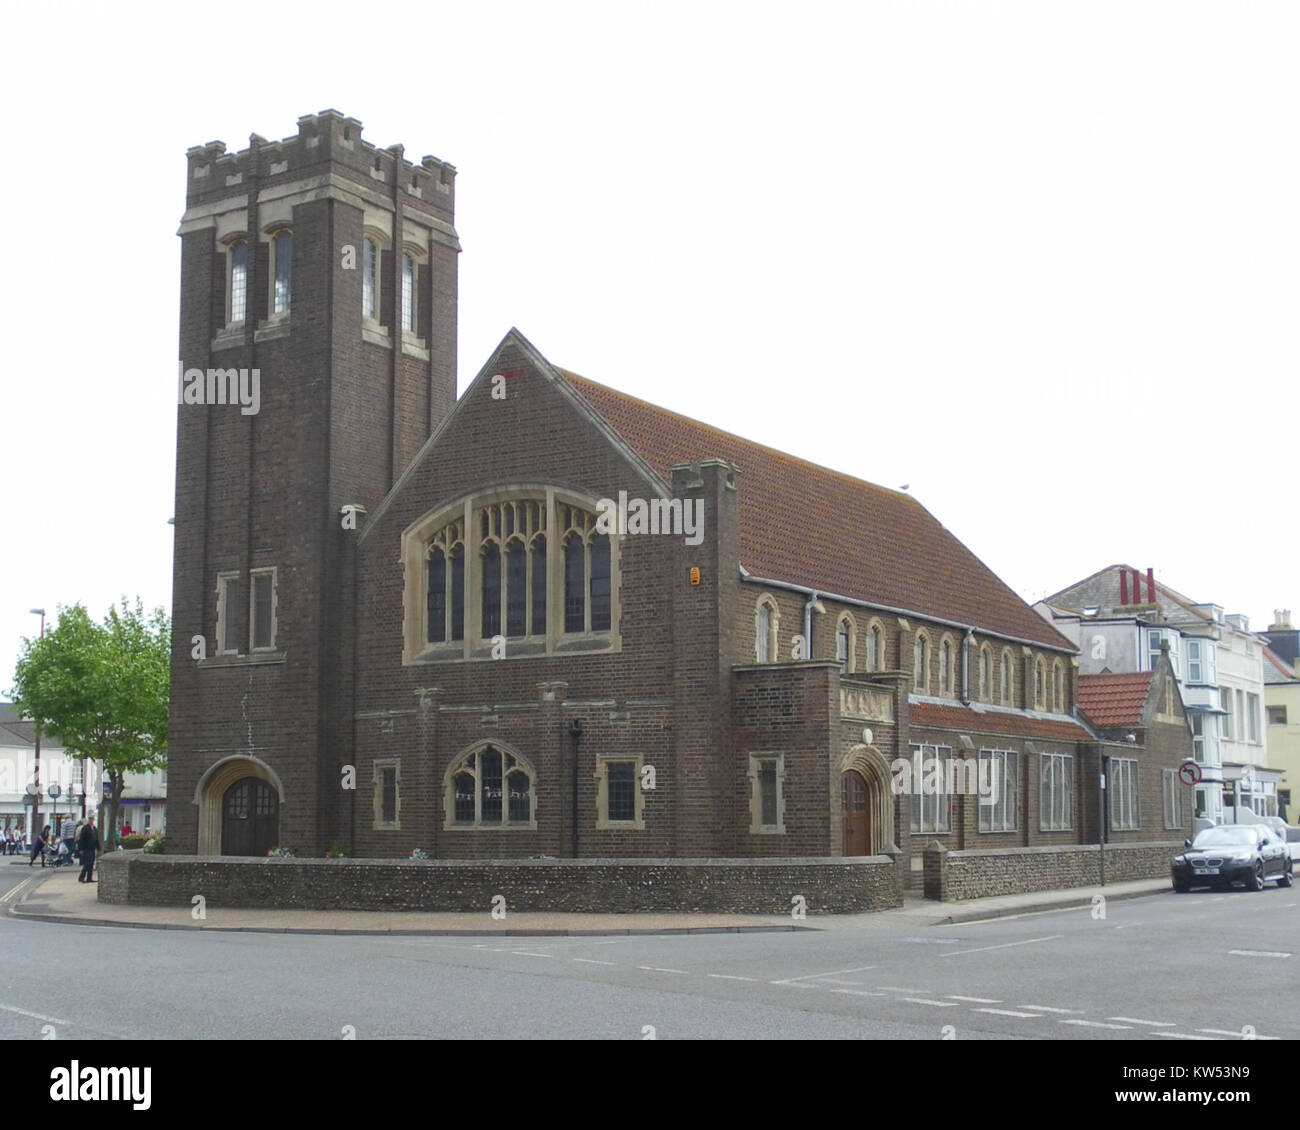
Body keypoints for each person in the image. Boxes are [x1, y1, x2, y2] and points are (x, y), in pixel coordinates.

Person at [77, 817, 99, 883]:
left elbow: (96, 838)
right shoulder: (85, 828)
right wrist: (81, 849)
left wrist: (98, 847)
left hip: (92, 848)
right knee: (87, 863)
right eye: (90, 819)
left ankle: (89, 878)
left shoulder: (94, 828)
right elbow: (81, 839)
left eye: (92, 819)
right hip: (86, 848)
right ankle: (81, 877)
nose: (91, 821)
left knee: (91, 863)